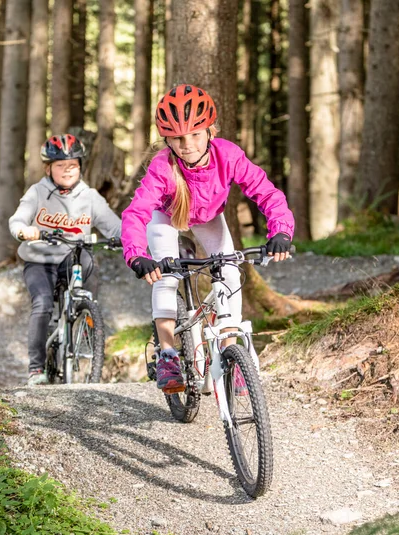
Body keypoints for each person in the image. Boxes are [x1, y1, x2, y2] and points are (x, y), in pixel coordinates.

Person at [120, 84, 294, 394]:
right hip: (167, 215)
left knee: (230, 271)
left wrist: (280, 231)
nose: (187, 145)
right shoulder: (163, 166)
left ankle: (230, 354)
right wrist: (136, 254)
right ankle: (168, 355)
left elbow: (266, 192)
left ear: (211, 131)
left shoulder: (228, 154)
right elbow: (137, 212)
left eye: (195, 135)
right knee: (166, 278)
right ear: (167, 140)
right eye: (177, 138)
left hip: (208, 216)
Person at [10, 134, 122, 386]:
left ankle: (89, 325)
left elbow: (114, 226)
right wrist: (24, 231)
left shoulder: (90, 196)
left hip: (74, 257)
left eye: (73, 164)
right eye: (61, 165)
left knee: (89, 269)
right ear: (48, 168)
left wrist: (130, 238)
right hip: (40, 259)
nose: (68, 170)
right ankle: (36, 368)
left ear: (80, 166)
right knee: (42, 304)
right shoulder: (37, 192)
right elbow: (17, 219)